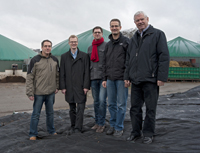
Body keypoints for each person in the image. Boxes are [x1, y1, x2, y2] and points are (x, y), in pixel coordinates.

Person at [124, 11, 169, 144]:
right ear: (135, 23)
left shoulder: (158, 34)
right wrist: (127, 76)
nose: (140, 22)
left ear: (147, 19)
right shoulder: (133, 39)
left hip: (151, 79)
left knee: (150, 108)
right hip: (136, 80)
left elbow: (164, 56)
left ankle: (148, 133)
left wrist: (161, 77)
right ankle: (135, 132)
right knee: (134, 109)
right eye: (137, 21)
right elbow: (129, 59)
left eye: (142, 19)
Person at [26, 40, 59, 140]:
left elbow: (57, 75)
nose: (47, 48)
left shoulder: (55, 60)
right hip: (38, 93)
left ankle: (51, 130)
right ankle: (33, 134)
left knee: (50, 113)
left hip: (50, 93)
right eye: (45, 46)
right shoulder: (35, 60)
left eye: (49, 46)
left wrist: (57, 86)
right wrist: (30, 92)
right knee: (36, 114)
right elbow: (29, 77)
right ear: (42, 47)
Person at [102, 19, 130, 137]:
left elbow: (129, 61)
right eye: (112, 26)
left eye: (116, 26)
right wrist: (104, 78)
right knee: (111, 104)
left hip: (121, 79)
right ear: (110, 28)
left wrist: (127, 77)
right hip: (110, 79)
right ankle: (113, 125)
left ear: (120, 27)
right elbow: (104, 62)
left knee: (121, 105)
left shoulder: (126, 42)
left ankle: (119, 127)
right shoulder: (108, 45)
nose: (114, 28)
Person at [60, 35, 90, 133]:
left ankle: (78, 127)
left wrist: (86, 86)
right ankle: (73, 125)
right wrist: (63, 87)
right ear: (69, 43)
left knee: (81, 108)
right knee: (72, 108)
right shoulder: (64, 57)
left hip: (80, 86)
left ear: (77, 43)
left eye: (75, 41)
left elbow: (87, 72)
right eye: (72, 41)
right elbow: (62, 73)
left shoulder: (84, 56)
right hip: (69, 86)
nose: (74, 43)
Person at [88, 26, 107, 133]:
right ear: (93, 34)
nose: (97, 34)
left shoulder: (106, 46)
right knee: (96, 101)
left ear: (102, 34)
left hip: (103, 78)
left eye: (99, 32)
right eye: (95, 32)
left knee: (102, 101)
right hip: (93, 77)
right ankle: (97, 122)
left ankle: (102, 123)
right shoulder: (90, 48)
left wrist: (106, 77)